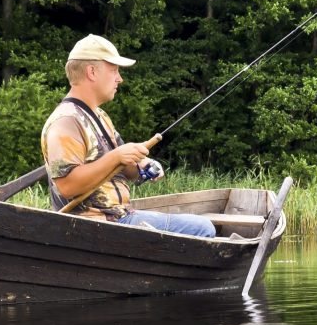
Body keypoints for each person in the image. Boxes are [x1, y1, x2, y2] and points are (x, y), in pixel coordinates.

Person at [41, 34, 215, 237]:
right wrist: (117, 156)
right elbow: (67, 185)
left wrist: (141, 165)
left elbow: (122, 167)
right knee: (202, 228)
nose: (119, 78)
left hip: (118, 218)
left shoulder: (99, 115)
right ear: (92, 72)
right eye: (114, 70)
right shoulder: (66, 121)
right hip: (95, 226)